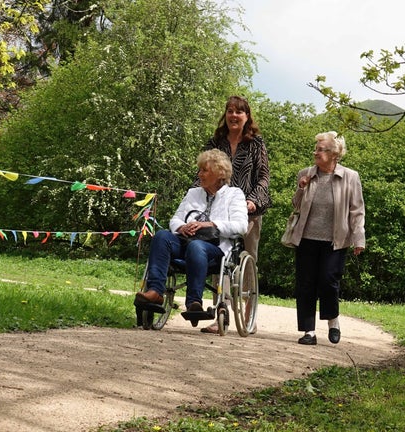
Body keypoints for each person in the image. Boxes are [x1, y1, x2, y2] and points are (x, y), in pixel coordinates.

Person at [135, 149, 248, 312]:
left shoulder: (234, 194)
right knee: (161, 236)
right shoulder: (193, 193)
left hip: (215, 249)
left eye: (204, 170)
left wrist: (210, 224)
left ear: (219, 173)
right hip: (186, 241)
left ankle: (194, 302)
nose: (199, 174)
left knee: (197, 247)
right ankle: (155, 292)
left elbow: (241, 226)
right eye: (199, 170)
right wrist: (182, 226)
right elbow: (175, 219)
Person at [196, 95, 271, 334]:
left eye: (239, 112)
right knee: (221, 258)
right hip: (218, 210)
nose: (233, 116)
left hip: (248, 212)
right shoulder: (215, 141)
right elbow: (203, 171)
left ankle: (248, 313)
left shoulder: (256, 143)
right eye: (230, 111)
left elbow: (263, 178)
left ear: (247, 116)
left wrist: (252, 201)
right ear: (225, 115)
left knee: (247, 258)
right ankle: (221, 312)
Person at [285, 131, 365, 345]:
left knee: (329, 281)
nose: (316, 152)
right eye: (316, 149)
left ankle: (333, 320)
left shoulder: (350, 176)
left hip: (335, 240)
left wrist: (359, 238)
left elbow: (357, 210)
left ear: (334, 154)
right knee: (306, 284)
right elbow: (296, 205)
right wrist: (301, 188)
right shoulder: (306, 173)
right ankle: (308, 331)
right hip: (306, 238)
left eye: (321, 149)